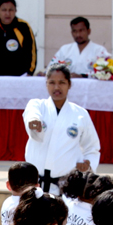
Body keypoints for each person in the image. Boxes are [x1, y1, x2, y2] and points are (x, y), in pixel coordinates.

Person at [23, 63, 101, 193]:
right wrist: (34, 121)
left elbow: (92, 147)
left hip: (65, 186)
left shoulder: (80, 114)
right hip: (34, 184)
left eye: (62, 82)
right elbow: (32, 113)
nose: (57, 87)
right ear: (46, 84)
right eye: (52, 82)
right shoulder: (37, 106)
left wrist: (88, 163)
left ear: (69, 85)